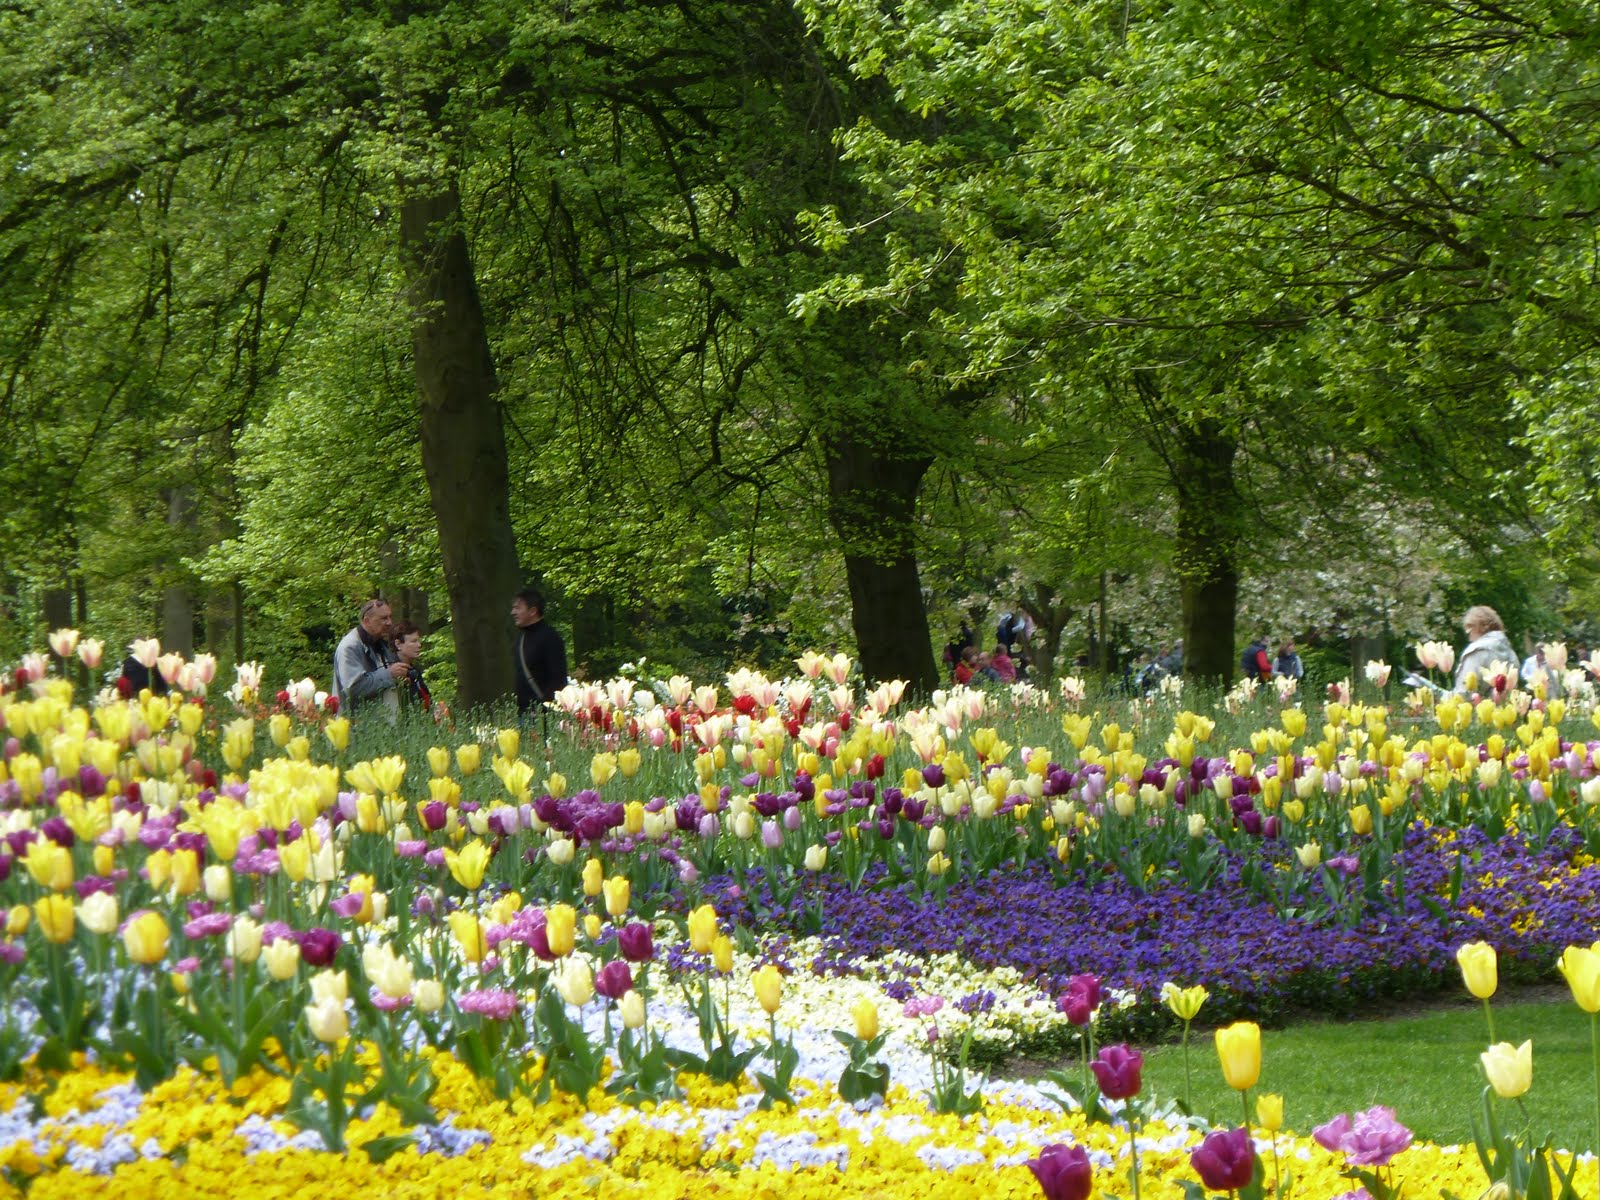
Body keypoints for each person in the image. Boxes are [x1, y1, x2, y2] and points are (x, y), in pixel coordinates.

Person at [332, 598, 407, 716]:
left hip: (382, 726)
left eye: (390, 617)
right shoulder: (350, 646)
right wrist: (389, 674)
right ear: (367, 621)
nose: (389, 623)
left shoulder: (380, 644)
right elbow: (353, 687)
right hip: (357, 728)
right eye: (384, 618)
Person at [511, 587, 567, 714]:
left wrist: (543, 709)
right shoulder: (520, 639)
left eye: (517, 608)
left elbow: (558, 680)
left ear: (533, 611)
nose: (513, 612)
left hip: (544, 715)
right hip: (523, 713)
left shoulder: (550, 638)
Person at [1455, 605, 1516, 695]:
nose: (1469, 638)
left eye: (1469, 631)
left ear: (1474, 627)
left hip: (1480, 707)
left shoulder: (1477, 651)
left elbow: (1464, 693)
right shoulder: (1510, 652)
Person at [391, 620, 435, 714]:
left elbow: (426, 702)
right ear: (398, 644)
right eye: (413, 641)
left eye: (418, 641)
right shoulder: (391, 671)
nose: (419, 645)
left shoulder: (414, 671)